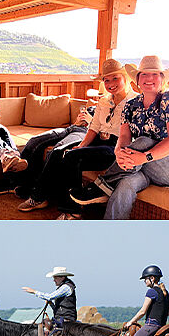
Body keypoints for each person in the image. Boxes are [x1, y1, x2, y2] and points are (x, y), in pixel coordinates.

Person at [70, 56, 169, 219]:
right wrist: (119, 152)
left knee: (143, 141)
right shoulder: (131, 105)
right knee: (125, 184)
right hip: (145, 164)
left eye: (154, 74)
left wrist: (145, 157)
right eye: (144, 74)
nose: (149, 78)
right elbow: (124, 136)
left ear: (162, 78)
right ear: (137, 79)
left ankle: (102, 185)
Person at [49, 60, 139, 219]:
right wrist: (82, 145)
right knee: (61, 153)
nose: (110, 83)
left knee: (71, 157)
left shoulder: (136, 102)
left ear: (125, 79)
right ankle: (59, 200)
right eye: (106, 80)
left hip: (116, 146)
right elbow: (94, 127)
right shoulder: (104, 101)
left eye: (115, 78)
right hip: (98, 141)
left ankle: (72, 211)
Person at [22, 266, 78, 336]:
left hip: (66, 320)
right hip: (61, 318)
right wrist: (52, 304)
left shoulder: (66, 287)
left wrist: (34, 292)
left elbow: (50, 296)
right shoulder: (63, 286)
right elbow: (58, 306)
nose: (54, 280)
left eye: (55, 277)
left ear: (62, 277)